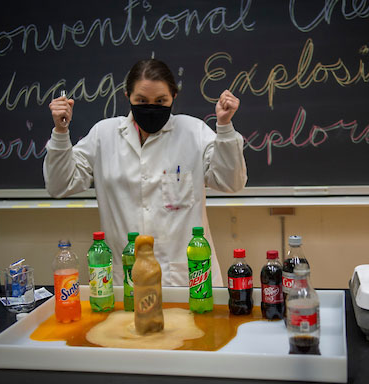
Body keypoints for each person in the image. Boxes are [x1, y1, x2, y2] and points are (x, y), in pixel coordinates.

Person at [44, 59, 247, 287]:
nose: (151, 107)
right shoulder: (104, 135)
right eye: (141, 100)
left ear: (174, 97)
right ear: (127, 96)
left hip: (184, 278)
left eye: (161, 101)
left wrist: (225, 127)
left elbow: (231, 182)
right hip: (127, 280)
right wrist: (61, 132)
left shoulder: (194, 132)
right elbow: (59, 185)